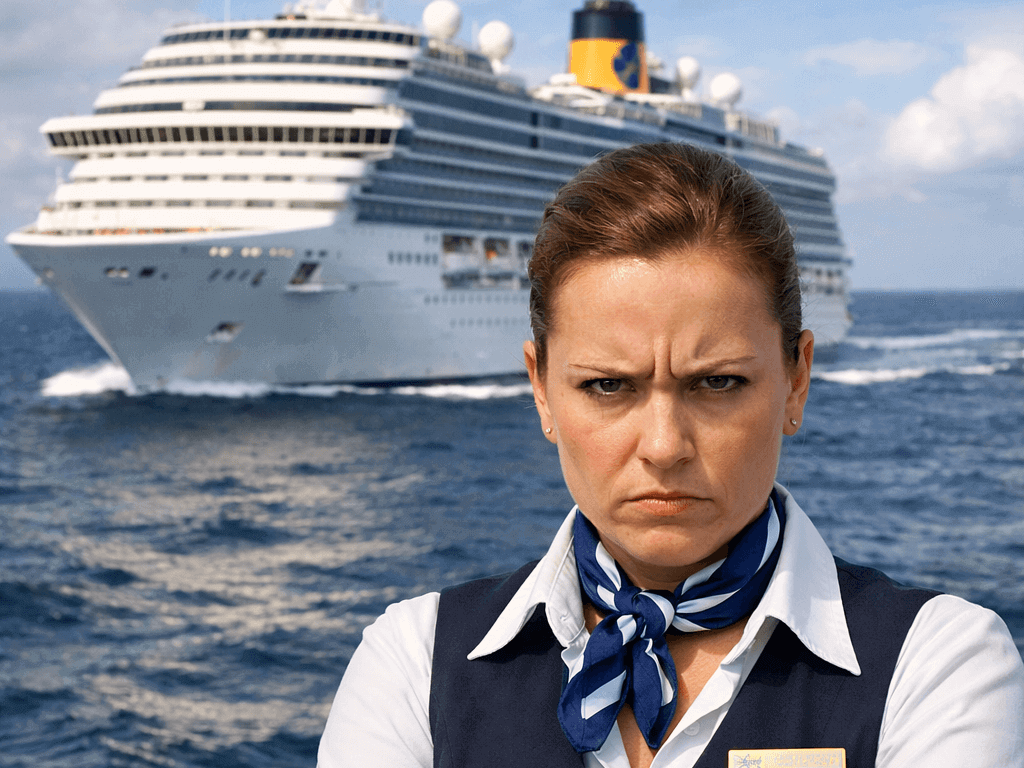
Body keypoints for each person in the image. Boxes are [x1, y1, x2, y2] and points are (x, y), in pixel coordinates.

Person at [318, 143, 1024, 768]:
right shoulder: (411, 659)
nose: (663, 446)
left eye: (717, 383)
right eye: (607, 386)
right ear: (540, 390)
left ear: (796, 381)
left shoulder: (938, 663)